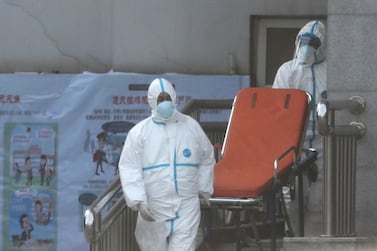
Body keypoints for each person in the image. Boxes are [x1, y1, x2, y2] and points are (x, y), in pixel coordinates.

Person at [118, 77, 215, 251]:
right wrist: (139, 200)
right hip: (154, 208)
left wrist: (203, 187)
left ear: (174, 97)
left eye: (168, 98)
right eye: (160, 99)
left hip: (187, 206)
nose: (165, 103)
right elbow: (129, 167)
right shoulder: (139, 133)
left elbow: (207, 157)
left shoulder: (191, 127)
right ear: (152, 101)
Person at [272, 20, 326, 234]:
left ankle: (315, 245)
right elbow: (278, 111)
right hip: (294, 146)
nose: (307, 48)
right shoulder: (287, 71)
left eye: (313, 43)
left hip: (323, 147)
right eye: (304, 42)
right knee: (292, 202)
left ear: (321, 46)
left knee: (319, 204)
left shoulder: (330, 73)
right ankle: (293, 242)